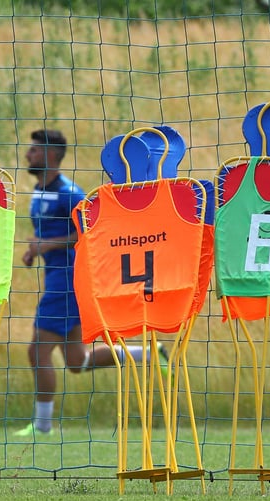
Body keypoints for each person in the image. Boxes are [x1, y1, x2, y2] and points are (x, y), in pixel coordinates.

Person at [15, 129, 165, 438]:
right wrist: (35, 250)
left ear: (52, 155)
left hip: (69, 282)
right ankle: (150, 353)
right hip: (56, 278)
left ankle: (42, 427)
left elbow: (91, 232)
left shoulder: (72, 194)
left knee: (37, 351)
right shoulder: (38, 192)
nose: (28, 154)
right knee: (77, 361)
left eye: (34, 150)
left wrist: (49, 245)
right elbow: (49, 237)